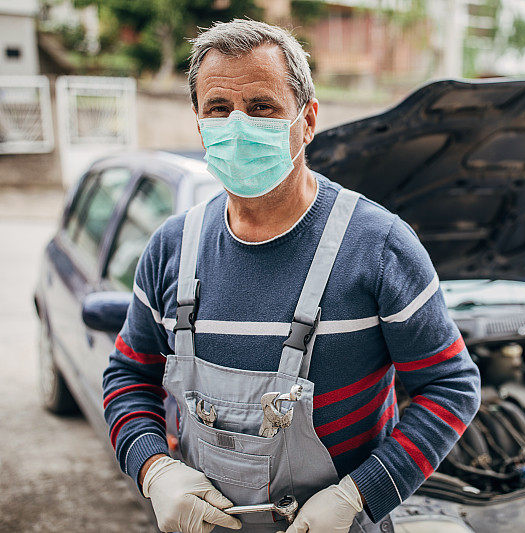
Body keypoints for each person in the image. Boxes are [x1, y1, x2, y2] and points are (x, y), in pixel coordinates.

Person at [102, 19, 481, 533]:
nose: (238, 126)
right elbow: (128, 376)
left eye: (262, 108)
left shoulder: (379, 246)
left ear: (307, 120)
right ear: (199, 124)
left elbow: (451, 386)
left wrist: (358, 496)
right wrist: (155, 469)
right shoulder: (172, 248)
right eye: (219, 109)